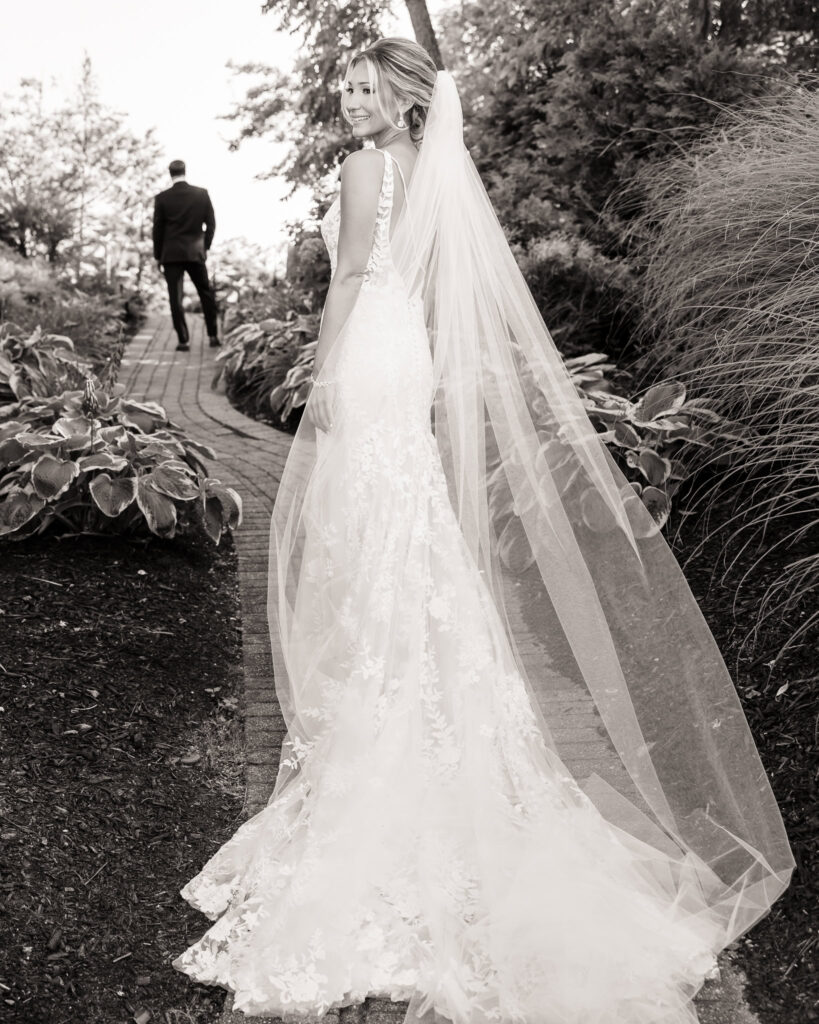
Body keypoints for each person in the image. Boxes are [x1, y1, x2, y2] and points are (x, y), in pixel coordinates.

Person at [173, 39, 793, 1024]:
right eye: (347, 86)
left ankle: (380, 764)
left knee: (371, 539)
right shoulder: (435, 170)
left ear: (407, 99)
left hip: (370, 362)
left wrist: (327, 377)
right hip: (405, 359)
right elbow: (412, 288)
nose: (352, 100)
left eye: (367, 86)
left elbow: (351, 280)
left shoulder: (369, 168)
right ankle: (432, 748)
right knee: (403, 537)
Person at [152, 159, 220, 351]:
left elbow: (157, 230)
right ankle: (213, 336)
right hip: (195, 253)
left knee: (175, 297)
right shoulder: (201, 194)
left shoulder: (162, 198)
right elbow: (211, 224)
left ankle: (183, 340)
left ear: (170, 173)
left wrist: (158, 255)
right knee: (205, 294)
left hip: (171, 255)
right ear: (185, 171)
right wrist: (204, 246)